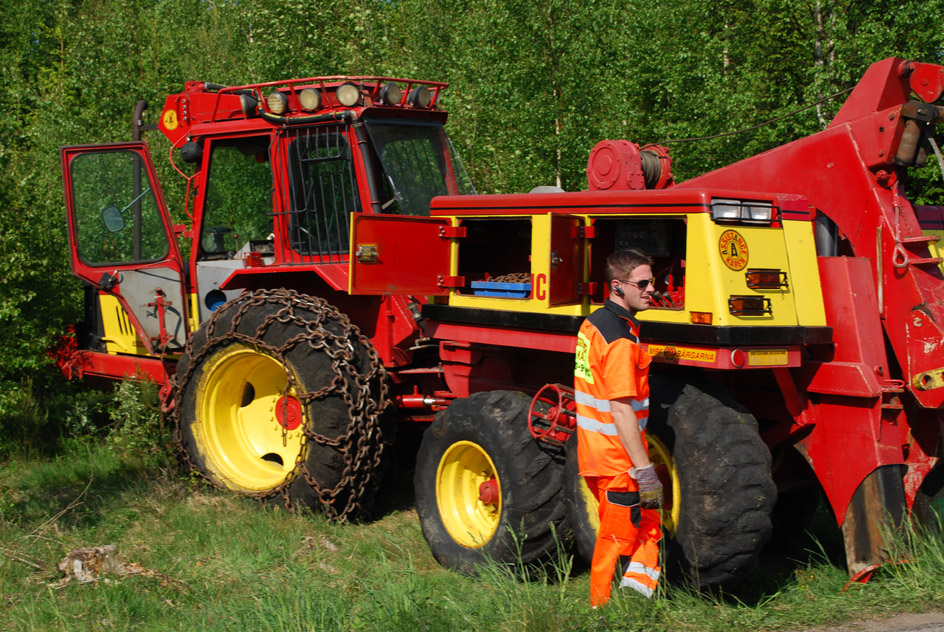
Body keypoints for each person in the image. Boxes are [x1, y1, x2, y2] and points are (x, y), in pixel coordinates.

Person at [573, 249, 663, 606]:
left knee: (646, 524)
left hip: (597, 453)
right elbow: (622, 409)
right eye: (642, 283)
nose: (651, 289)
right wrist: (644, 470)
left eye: (652, 281)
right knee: (618, 536)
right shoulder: (622, 342)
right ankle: (602, 608)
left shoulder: (594, 323)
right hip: (618, 460)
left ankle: (635, 598)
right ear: (617, 286)